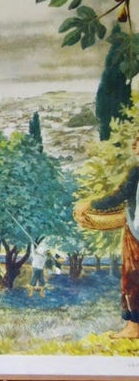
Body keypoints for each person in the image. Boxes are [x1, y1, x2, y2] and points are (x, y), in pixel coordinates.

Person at [75, 132, 139, 339]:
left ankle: (134, 328)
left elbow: (118, 196)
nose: (136, 147)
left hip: (136, 235)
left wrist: (90, 204)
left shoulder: (136, 172)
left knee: (132, 277)